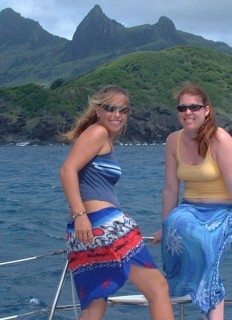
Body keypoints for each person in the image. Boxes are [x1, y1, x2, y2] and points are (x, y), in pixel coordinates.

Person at [60, 85, 175, 320]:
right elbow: (67, 170)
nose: (117, 115)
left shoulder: (99, 136)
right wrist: (80, 214)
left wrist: (81, 219)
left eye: (123, 110)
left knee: (95, 305)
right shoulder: (97, 133)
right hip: (105, 227)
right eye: (111, 109)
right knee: (158, 289)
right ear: (98, 110)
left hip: (84, 233)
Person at [153, 83, 232, 320]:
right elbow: (170, 188)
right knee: (175, 226)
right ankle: (185, 299)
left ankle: (212, 308)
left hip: (222, 211)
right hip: (190, 208)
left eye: (194, 107)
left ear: (207, 110)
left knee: (202, 243)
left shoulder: (220, 139)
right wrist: (164, 226)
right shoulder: (173, 140)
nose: (188, 112)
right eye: (182, 108)